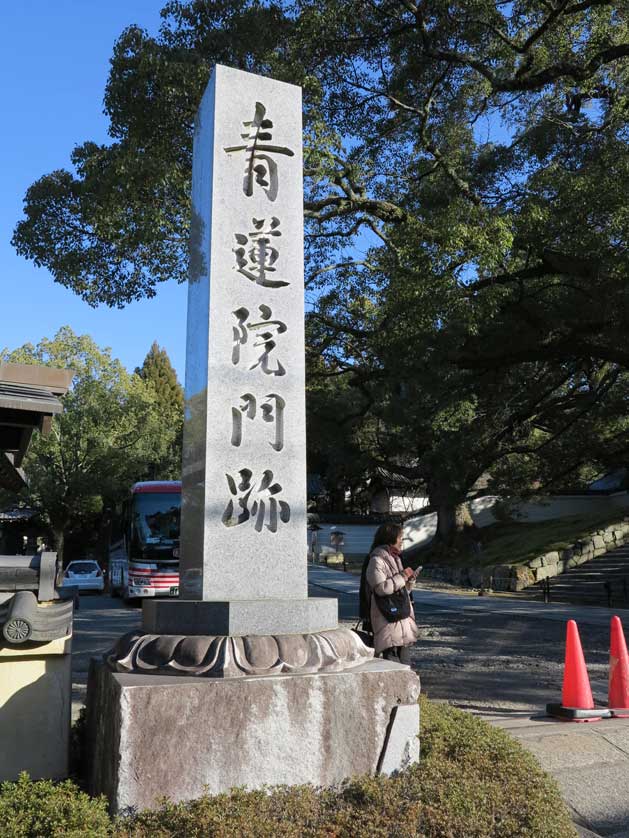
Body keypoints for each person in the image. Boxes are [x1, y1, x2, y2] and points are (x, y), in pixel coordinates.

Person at [361, 522, 419, 665]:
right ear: (390, 538)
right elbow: (381, 588)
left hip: (401, 615)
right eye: (400, 537)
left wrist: (409, 582)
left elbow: (400, 590)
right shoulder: (376, 560)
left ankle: (407, 686)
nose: (402, 541)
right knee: (392, 659)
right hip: (387, 616)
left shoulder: (396, 558)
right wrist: (403, 576)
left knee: (405, 661)